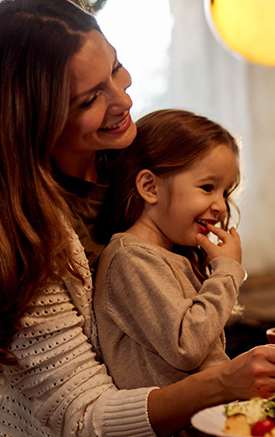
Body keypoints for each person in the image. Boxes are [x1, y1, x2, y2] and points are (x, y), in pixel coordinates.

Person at [0, 0, 275, 437]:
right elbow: (84, 418)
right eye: (89, 99)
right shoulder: (18, 237)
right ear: (34, 121)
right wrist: (224, 382)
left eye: (115, 68)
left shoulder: (128, 167)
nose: (122, 99)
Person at [94, 109, 245, 389]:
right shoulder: (131, 258)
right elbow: (186, 347)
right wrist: (227, 273)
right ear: (150, 187)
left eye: (225, 192)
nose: (221, 206)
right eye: (208, 187)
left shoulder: (168, 257)